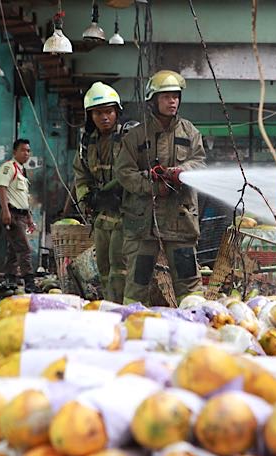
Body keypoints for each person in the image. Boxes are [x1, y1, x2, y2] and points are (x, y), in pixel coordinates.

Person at [115, 70, 206, 305]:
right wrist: (153, 187)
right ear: (153, 100)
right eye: (166, 96)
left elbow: (200, 163)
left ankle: (194, 328)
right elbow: (124, 173)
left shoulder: (190, 132)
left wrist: (182, 171)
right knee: (137, 283)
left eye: (175, 96)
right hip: (144, 223)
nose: (172, 101)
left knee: (189, 285)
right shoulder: (136, 135)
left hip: (180, 219)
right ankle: (132, 328)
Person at [73, 82, 137, 303]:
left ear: (117, 112)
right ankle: (110, 308)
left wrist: (120, 190)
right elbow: (80, 175)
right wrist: (87, 197)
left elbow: (138, 171)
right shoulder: (87, 144)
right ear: (90, 115)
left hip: (126, 214)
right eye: (98, 113)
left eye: (109, 111)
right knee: (104, 269)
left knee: (122, 268)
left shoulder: (130, 136)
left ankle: (124, 311)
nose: (104, 117)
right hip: (101, 217)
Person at [0, 139, 37, 290]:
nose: (26, 153)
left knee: (14, 249)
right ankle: (29, 282)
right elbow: (2, 188)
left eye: (28, 151)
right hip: (12, 214)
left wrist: (29, 218)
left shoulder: (22, 171)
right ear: (14, 152)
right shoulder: (9, 167)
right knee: (24, 249)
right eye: (23, 150)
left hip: (21, 214)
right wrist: (6, 211)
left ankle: (10, 279)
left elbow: (23, 198)